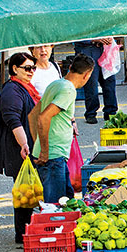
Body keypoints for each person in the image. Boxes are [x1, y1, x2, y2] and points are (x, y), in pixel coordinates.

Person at [33, 54, 94, 201]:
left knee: (66, 200)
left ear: (71, 67)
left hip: (54, 155)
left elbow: (33, 115)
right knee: (56, 206)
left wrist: (37, 144)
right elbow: (43, 117)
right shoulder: (68, 90)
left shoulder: (57, 84)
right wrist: (45, 151)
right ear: (87, 75)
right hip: (52, 157)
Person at [0, 52, 39, 245]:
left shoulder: (25, 87)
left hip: (26, 144)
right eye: (27, 68)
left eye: (33, 68)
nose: (31, 72)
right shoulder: (12, 90)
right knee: (24, 191)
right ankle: (22, 234)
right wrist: (24, 144)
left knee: (28, 190)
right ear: (14, 69)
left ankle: (26, 230)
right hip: (18, 147)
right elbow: (12, 119)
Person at [73, 38, 118, 125]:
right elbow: (77, 34)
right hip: (88, 48)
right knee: (91, 83)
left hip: (105, 48)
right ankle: (91, 113)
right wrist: (95, 39)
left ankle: (111, 112)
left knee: (109, 81)